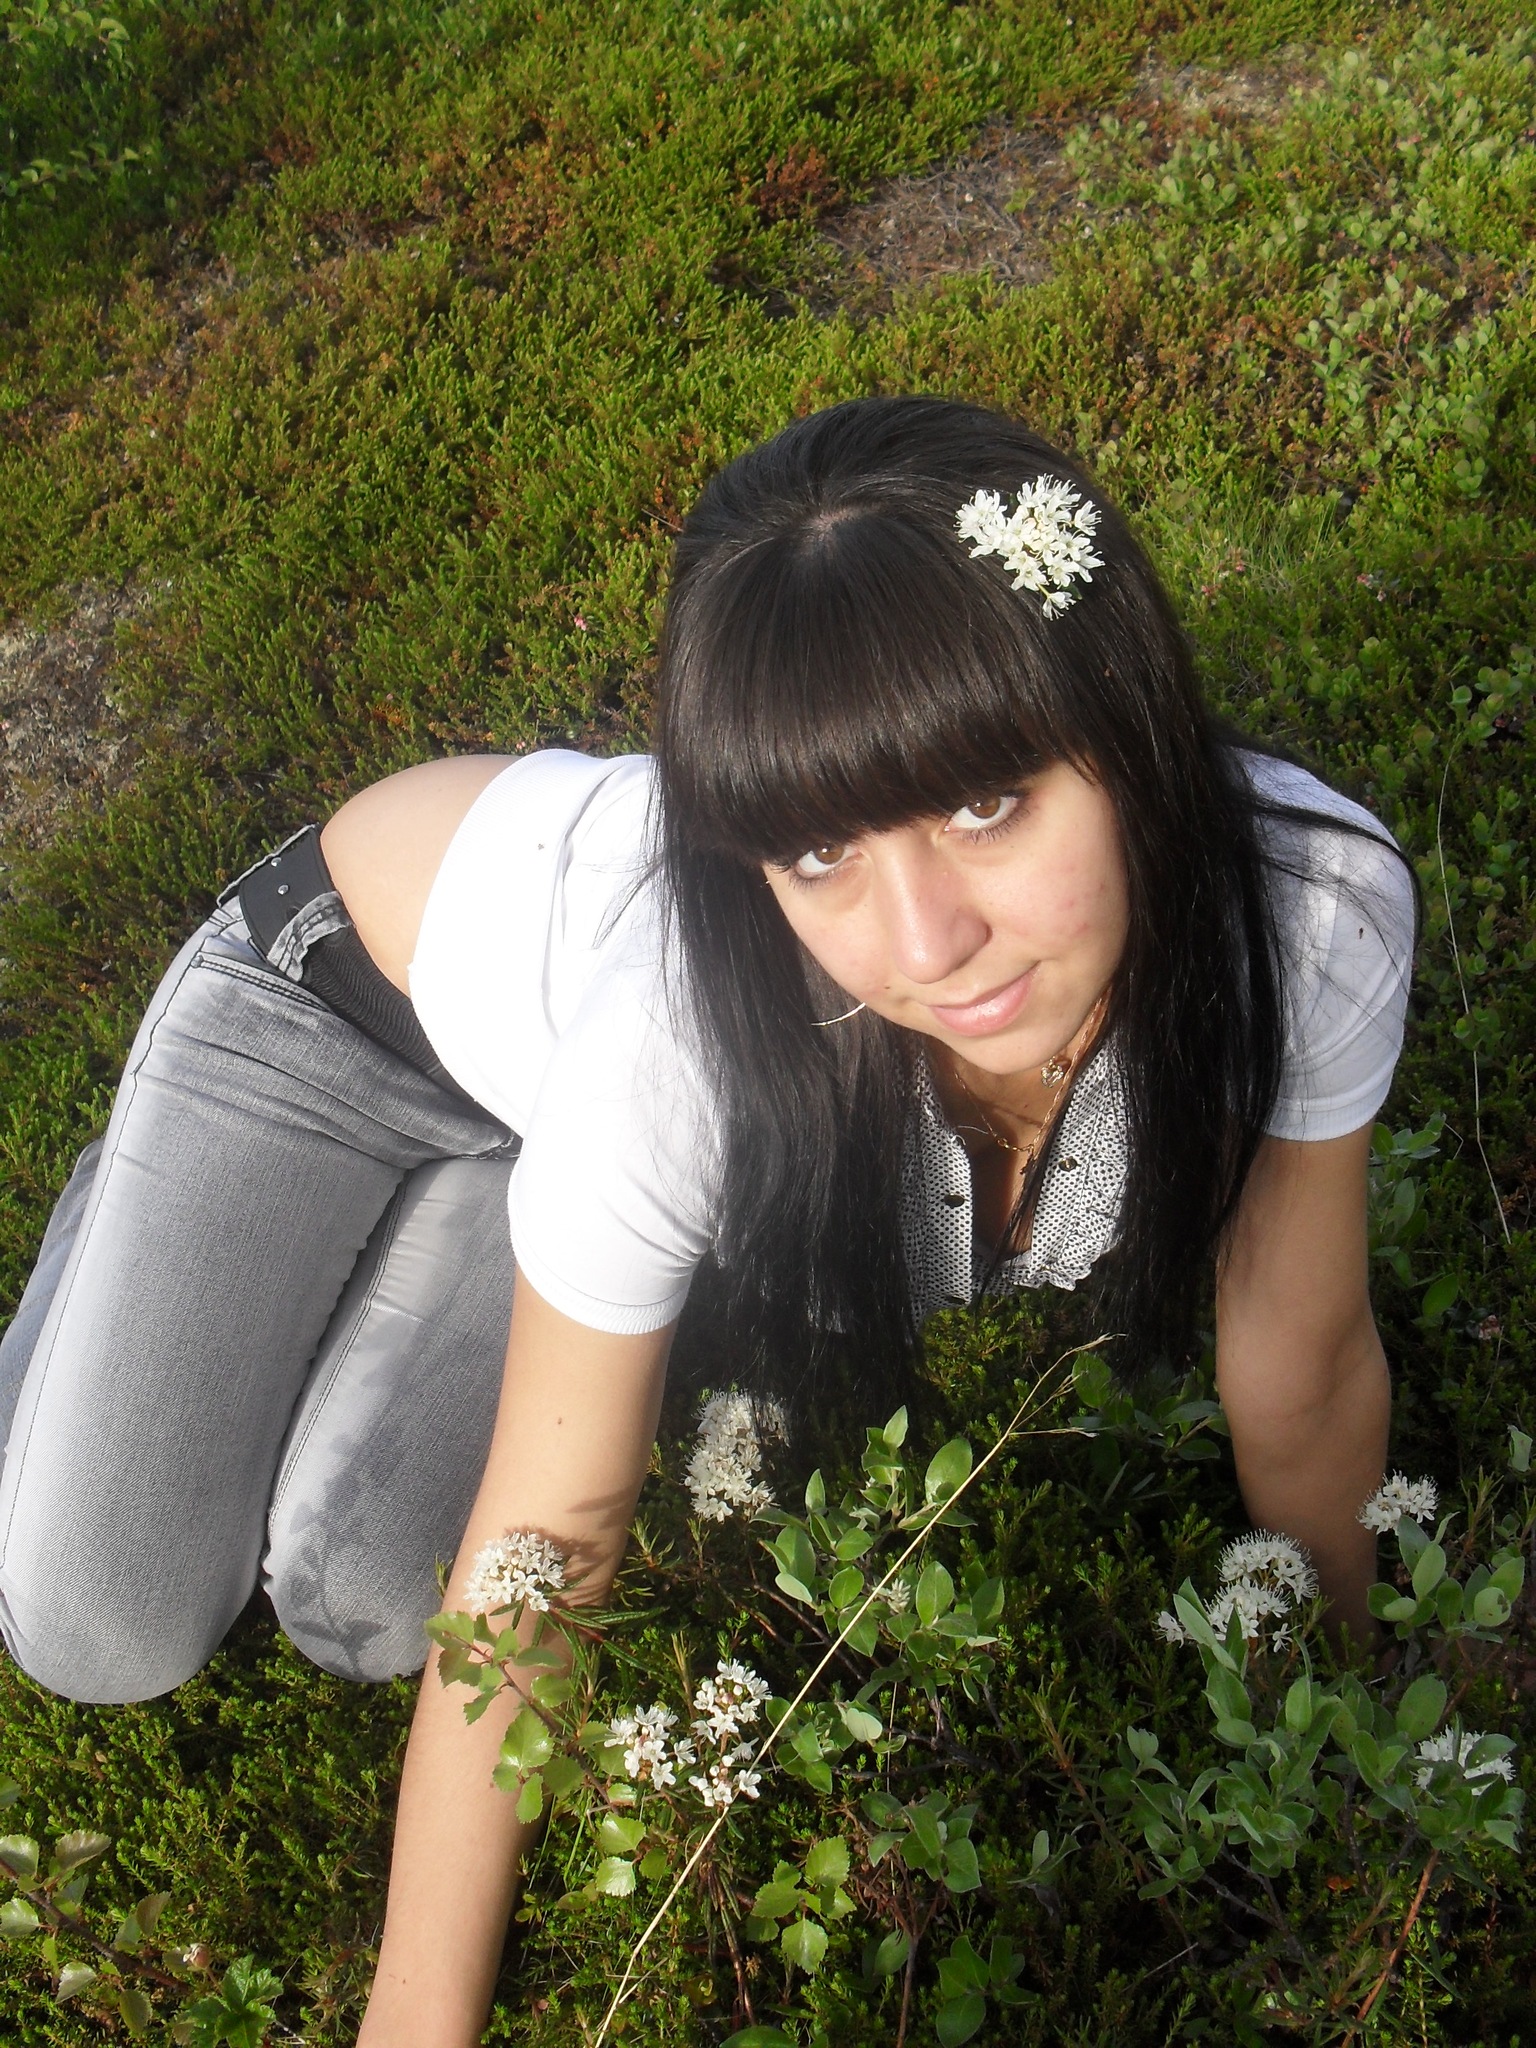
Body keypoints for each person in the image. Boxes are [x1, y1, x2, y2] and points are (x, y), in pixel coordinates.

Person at [0, 396, 1415, 2045]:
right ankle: (130, 1219)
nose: (928, 941)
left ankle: (524, 1228)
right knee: (99, 1621)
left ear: (1127, 717)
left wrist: (1355, 1720)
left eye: (985, 803)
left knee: (368, 1601)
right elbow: (555, 1540)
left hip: (552, 1128)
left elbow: (1303, 1367)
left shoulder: (1304, 917)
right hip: (328, 1014)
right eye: (816, 848)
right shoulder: (684, 1040)